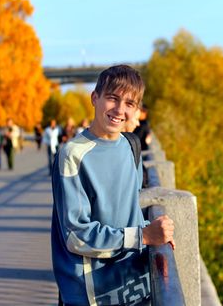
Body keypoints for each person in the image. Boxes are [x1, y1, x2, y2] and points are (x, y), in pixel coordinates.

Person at [51, 65, 174, 306]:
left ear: (136, 110)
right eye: (112, 98)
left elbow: (128, 212)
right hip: (92, 293)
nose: (120, 109)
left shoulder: (129, 146)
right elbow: (76, 236)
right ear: (95, 98)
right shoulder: (72, 155)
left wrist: (156, 229)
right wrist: (143, 236)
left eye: (130, 103)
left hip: (133, 285)